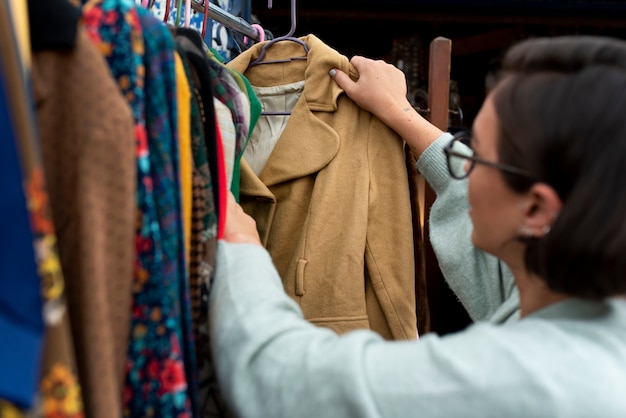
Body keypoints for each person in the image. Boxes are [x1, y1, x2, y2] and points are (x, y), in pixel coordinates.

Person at [209, 35, 626, 417]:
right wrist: (398, 110)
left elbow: (281, 380)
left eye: (477, 153)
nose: (465, 167)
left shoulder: (532, 383)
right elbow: (459, 185)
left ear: (536, 210)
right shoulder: (579, 306)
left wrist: (242, 246)